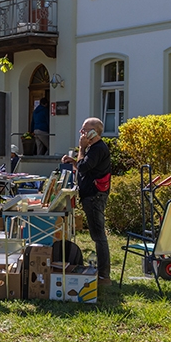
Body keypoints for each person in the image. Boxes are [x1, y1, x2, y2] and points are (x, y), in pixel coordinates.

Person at [62, 118, 112, 286]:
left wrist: (81, 148)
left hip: (95, 196)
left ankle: (104, 276)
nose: (81, 133)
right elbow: (86, 167)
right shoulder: (94, 148)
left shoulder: (97, 148)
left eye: (84, 130)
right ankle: (103, 274)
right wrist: (73, 162)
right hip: (91, 195)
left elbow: (84, 167)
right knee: (96, 235)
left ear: (93, 132)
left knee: (98, 236)